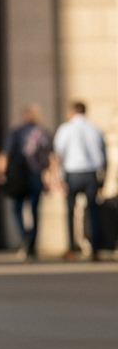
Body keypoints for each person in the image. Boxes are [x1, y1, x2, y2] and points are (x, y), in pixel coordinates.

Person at [54, 100, 108, 261]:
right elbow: (104, 156)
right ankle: (95, 249)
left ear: (72, 112)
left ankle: (72, 248)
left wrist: (57, 177)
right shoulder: (95, 129)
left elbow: (58, 155)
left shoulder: (65, 129)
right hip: (91, 174)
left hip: (73, 174)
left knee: (70, 212)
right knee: (93, 212)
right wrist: (103, 178)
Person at [0, 104, 53, 260]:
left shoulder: (16, 132)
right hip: (36, 174)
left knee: (17, 208)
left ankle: (25, 236)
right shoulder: (43, 133)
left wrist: (1, 173)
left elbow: (5, 154)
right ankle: (32, 242)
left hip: (18, 175)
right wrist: (50, 178)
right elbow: (50, 158)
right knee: (34, 209)